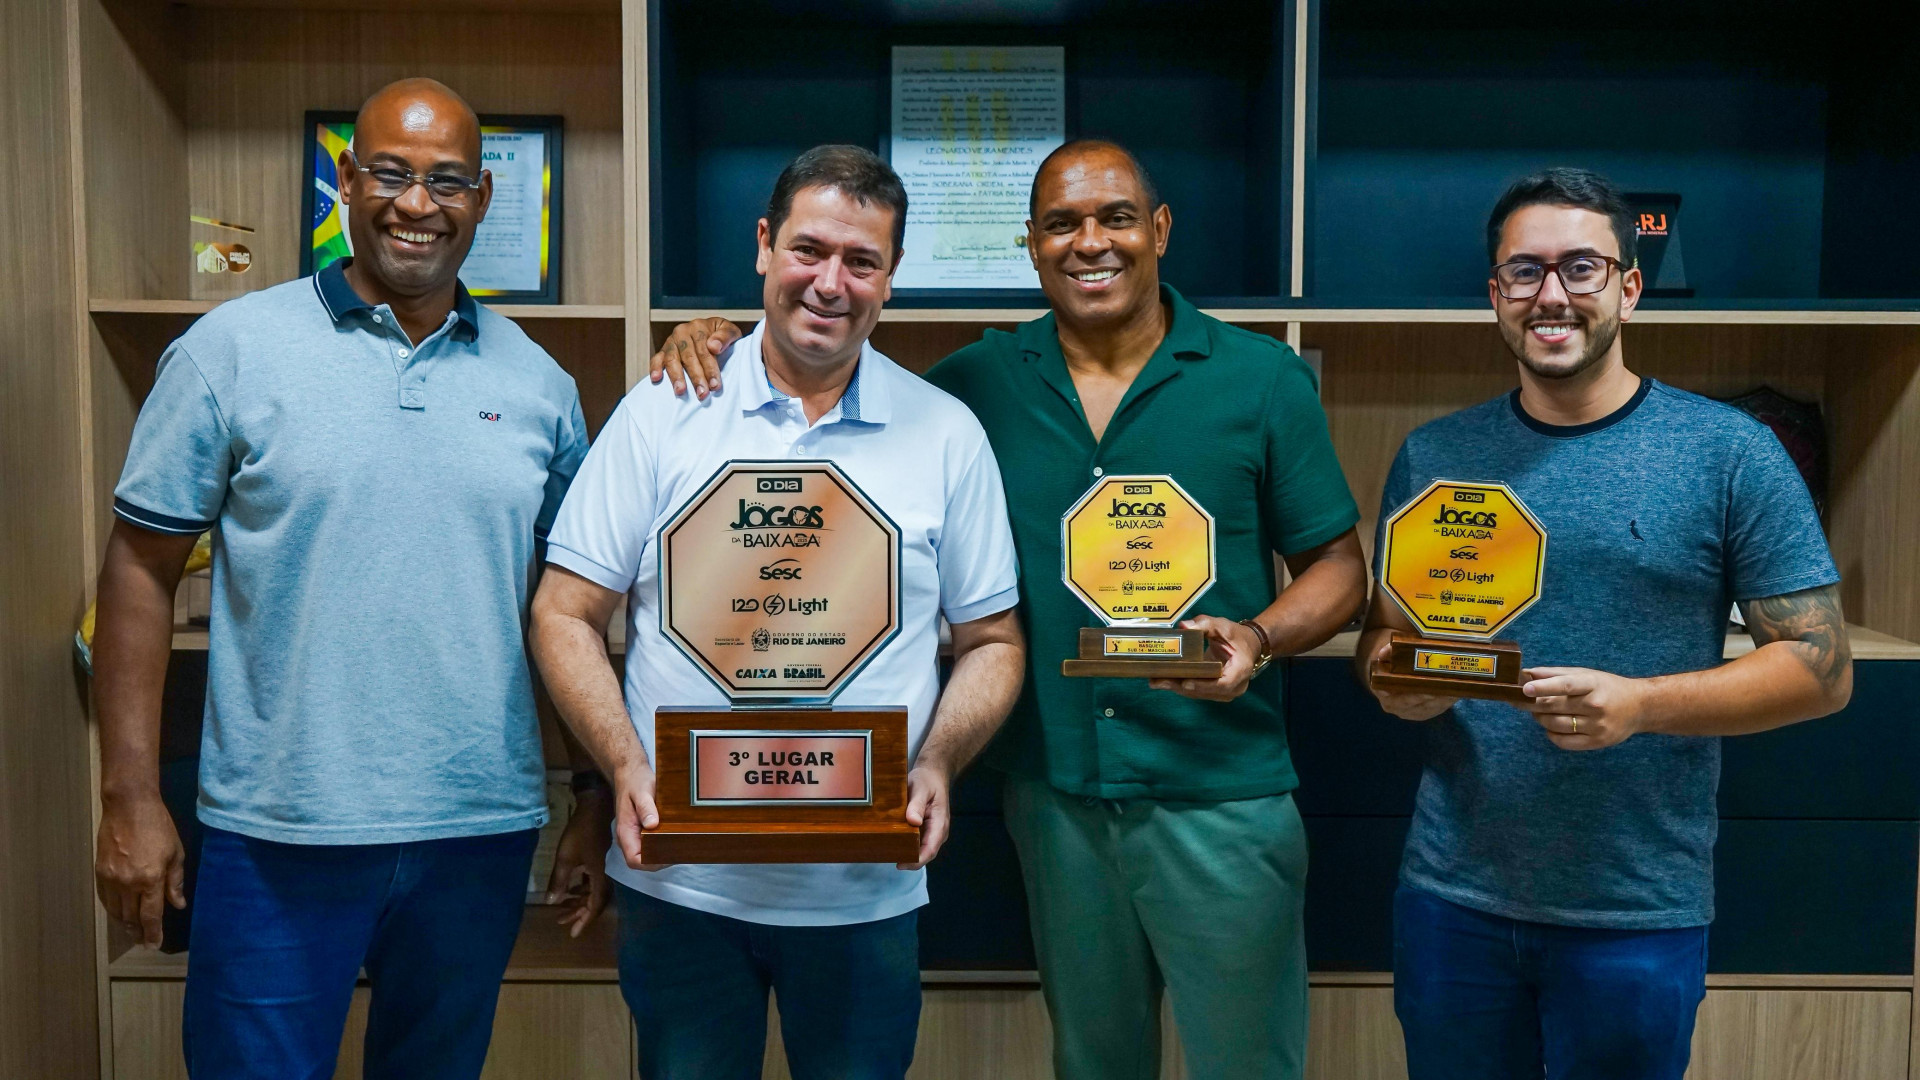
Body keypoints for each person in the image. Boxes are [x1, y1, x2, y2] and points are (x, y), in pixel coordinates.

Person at [649, 139, 1368, 1080]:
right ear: (1030, 246)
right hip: (1054, 796)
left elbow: (1340, 569)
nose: (1090, 242)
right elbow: (830, 382)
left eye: (1115, 217)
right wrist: (716, 337)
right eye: (1062, 224)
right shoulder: (971, 388)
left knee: (1251, 1065)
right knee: (1092, 1061)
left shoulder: (1260, 378)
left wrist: (1262, 635)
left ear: (1158, 230)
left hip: (1221, 791)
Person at [90, 78, 597, 1079]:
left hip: (479, 833)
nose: (418, 204)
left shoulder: (541, 385)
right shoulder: (230, 351)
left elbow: (564, 611)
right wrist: (129, 797)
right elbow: (139, 576)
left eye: (448, 180)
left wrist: (585, 789)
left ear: (485, 200)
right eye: (393, 175)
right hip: (279, 835)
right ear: (347, 179)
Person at [529, 144, 1026, 1080]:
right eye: (809, 250)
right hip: (681, 886)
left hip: (863, 894)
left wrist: (938, 763)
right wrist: (623, 769)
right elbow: (564, 613)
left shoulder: (947, 435)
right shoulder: (661, 411)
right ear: (763, 245)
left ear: (891, 278)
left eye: (861, 261)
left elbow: (994, 641)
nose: (829, 283)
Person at [1357, 167, 1854, 1080]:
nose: (1551, 296)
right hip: (1452, 899)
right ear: (1495, 295)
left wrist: (1640, 704)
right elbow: (1387, 645)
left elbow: (1822, 669)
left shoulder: (1726, 451)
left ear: (1629, 286)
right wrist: (1405, 686)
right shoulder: (1436, 454)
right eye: (1524, 272)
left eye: (1581, 269)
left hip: (1636, 911)